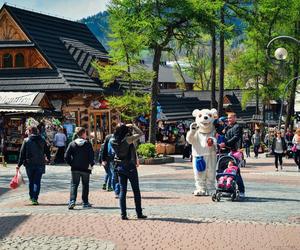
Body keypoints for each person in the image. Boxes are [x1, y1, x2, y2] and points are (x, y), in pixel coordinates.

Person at [110, 123, 147, 220]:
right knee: (136, 190)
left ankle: (123, 214)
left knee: (123, 191)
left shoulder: (112, 140)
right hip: (130, 167)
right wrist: (133, 126)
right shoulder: (128, 140)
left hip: (120, 166)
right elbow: (140, 133)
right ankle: (139, 213)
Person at [17, 126, 51, 205]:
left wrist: (19, 164)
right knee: (37, 181)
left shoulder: (26, 140)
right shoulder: (42, 140)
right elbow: (47, 151)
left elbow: (22, 154)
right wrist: (48, 158)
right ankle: (35, 198)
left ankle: (32, 196)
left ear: (30, 131)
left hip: (29, 164)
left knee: (31, 181)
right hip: (40, 163)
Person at [64, 127, 95, 209]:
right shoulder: (88, 144)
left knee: (74, 185)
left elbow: (66, 156)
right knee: (85, 185)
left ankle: (72, 201)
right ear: (83, 134)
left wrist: (71, 164)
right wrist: (91, 165)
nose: (86, 135)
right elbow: (91, 156)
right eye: (85, 133)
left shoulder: (72, 144)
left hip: (75, 168)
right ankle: (85, 202)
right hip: (85, 168)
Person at [219, 113, 245, 198]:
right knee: (225, 171)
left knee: (235, 172)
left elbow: (236, 138)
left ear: (235, 118)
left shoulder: (238, 127)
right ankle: (226, 187)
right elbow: (222, 135)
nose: (229, 119)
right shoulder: (227, 127)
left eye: (230, 118)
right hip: (227, 151)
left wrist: (225, 143)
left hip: (236, 152)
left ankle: (241, 190)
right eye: (228, 118)